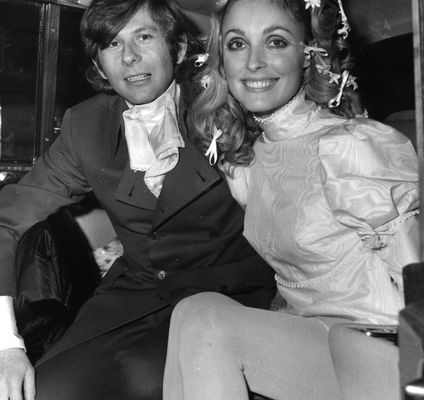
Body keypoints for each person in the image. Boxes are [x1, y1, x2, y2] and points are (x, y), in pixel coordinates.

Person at [0, 0, 275, 399]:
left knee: (149, 383)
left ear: (177, 49)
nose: (129, 57)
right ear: (98, 65)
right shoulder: (86, 126)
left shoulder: (227, 103)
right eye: (112, 44)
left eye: (143, 36)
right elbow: (6, 220)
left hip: (230, 295)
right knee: (46, 390)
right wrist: (8, 345)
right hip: (134, 299)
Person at [162, 0, 420, 399]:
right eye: (236, 45)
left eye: (276, 42)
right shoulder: (247, 161)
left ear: (308, 54)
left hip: (381, 349)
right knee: (196, 309)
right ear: (220, 62)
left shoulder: (351, 145)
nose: (253, 63)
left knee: (208, 322)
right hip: (315, 341)